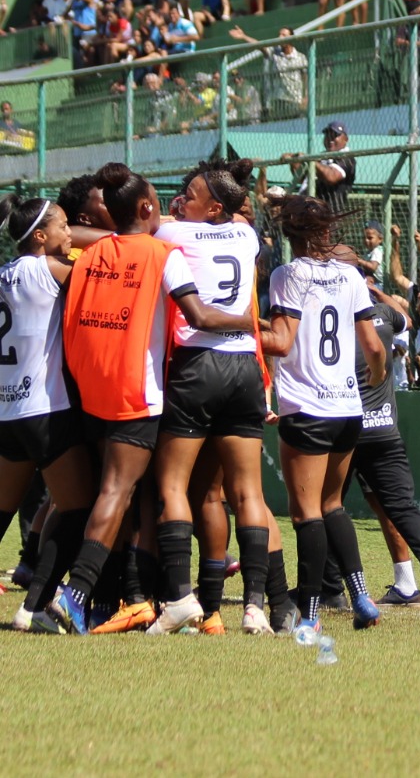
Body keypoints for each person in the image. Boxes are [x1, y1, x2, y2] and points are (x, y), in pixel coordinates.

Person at [51, 164, 256, 635]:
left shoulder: (100, 249)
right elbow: (200, 314)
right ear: (146, 208)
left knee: (127, 494)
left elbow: (85, 232)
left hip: (91, 388)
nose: (174, 204)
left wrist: (64, 229)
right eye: (162, 200)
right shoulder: (166, 251)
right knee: (129, 492)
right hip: (141, 388)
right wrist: (253, 326)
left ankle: (138, 597)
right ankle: (78, 593)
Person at [148, 159, 279, 636]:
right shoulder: (245, 236)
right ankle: (255, 607)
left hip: (197, 365)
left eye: (192, 193)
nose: (183, 196)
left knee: (173, 487)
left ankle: (180, 597)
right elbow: (245, 218)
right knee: (247, 492)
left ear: (214, 206)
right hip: (245, 368)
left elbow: (130, 228)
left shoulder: (174, 234)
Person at [259, 196, 387, 636]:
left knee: (306, 514)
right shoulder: (351, 275)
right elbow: (373, 346)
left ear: (290, 236)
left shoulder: (286, 275)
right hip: (348, 408)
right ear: (326, 233)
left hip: (307, 408)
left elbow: (280, 340)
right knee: (333, 505)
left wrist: (239, 322)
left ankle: (310, 616)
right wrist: (377, 375)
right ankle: (362, 596)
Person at [0, 196, 98, 634]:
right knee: (78, 508)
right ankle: (35, 607)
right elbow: (104, 269)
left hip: (7, 411)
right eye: (62, 226)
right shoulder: (47, 269)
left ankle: (33, 604)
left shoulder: (4, 272)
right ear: (40, 237)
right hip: (44, 409)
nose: (70, 233)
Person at [349, 280, 420, 611]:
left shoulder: (337, 318)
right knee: (397, 507)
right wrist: (375, 290)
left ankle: (328, 589)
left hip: (345, 428)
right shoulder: (382, 314)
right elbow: (404, 319)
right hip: (384, 429)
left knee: (324, 507)